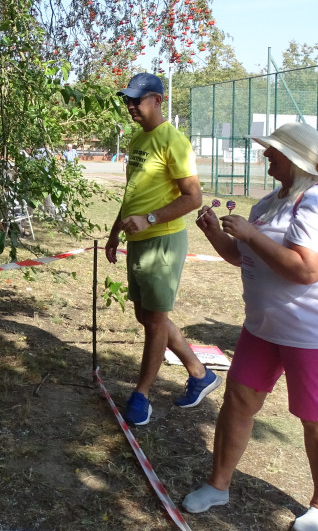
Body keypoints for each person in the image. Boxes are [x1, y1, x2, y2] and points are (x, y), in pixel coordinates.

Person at [184, 122, 318, 531]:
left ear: (295, 157)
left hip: (312, 334)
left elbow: (307, 270)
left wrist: (250, 235)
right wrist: (215, 234)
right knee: (238, 402)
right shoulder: (268, 203)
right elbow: (241, 257)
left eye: (272, 151)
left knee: (315, 418)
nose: (265, 156)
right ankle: (218, 486)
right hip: (262, 327)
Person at [104, 72, 212, 425]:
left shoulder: (173, 141)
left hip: (162, 241)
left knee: (154, 322)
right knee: (148, 316)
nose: (131, 106)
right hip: (138, 240)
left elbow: (193, 198)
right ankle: (199, 373)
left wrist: (149, 220)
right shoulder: (137, 140)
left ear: (158, 100)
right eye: (128, 101)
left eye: (137, 99)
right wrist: (114, 232)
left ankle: (142, 395)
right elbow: (133, 191)